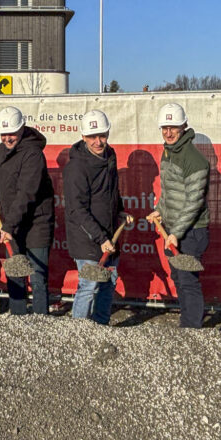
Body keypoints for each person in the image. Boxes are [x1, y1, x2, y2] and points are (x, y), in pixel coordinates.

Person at [63, 109, 133, 324]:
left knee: (109, 281)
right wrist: (100, 238)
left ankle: (100, 325)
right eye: (92, 137)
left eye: (102, 135)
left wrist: (120, 210)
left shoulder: (110, 156)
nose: (98, 141)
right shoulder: (76, 167)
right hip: (86, 237)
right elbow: (77, 209)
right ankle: (79, 330)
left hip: (109, 233)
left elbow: (112, 191)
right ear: (83, 137)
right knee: (89, 285)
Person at [0, 105, 55, 315]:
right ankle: (18, 318)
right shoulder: (1, 151)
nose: (7, 138)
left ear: (22, 129)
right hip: (12, 222)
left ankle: (40, 320)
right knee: (15, 272)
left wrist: (8, 226)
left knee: (37, 276)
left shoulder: (33, 154)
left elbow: (26, 193)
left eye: (12, 133)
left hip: (36, 223)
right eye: (3, 134)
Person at [145, 102, 210, 328]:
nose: (168, 132)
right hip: (173, 229)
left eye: (173, 127)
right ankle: (187, 323)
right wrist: (160, 210)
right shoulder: (169, 152)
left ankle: (192, 330)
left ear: (184, 127)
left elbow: (193, 202)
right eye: (165, 127)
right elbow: (169, 191)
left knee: (188, 280)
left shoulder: (194, 160)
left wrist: (176, 234)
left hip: (191, 232)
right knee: (179, 279)